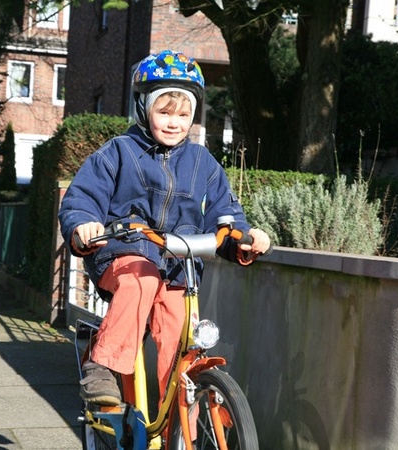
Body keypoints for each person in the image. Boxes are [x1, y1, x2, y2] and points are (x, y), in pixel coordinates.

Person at [58, 50, 271, 406]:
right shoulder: (119, 152)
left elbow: (225, 214)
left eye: (184, 114)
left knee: (178, 336)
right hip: (124, 255)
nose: (175, 122)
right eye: (164, 112)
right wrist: (82, 224)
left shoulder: (204, 162)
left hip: (177, 267)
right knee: (141, 280)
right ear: (143, 109)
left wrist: (242, 240)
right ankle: (103, 365)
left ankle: (179, 423)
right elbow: (82, 198)